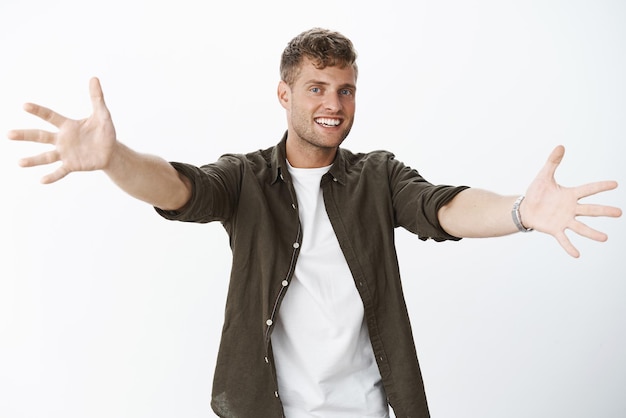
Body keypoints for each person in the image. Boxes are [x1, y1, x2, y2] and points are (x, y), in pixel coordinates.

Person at [7, 28, 621, 418]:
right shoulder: (245, 178)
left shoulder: (378, 176)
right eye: (318, 88)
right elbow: (178, 187)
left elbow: (443, 208)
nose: (334, 105)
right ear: (285, 94)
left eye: (346, 90)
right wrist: (114, 159)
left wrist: (520, 211)